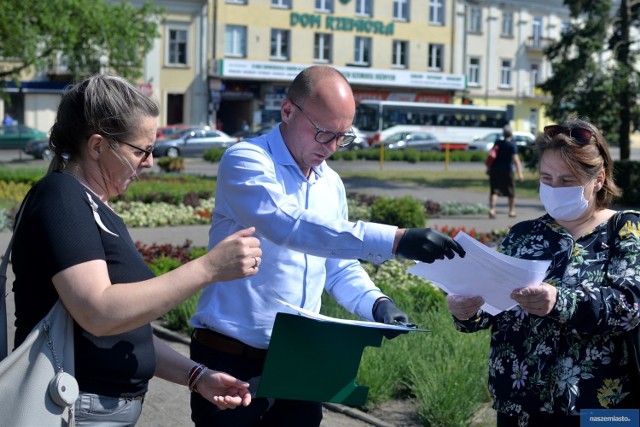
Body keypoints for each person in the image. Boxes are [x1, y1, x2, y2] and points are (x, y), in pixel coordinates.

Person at [189, 65, 466, 427]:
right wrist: (395, 239)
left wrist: (378, 304)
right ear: (287, 111)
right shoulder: (247, 159)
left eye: (342, 136)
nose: (332, 147)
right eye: (323, 133)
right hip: (231, 356)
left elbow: (339, 265)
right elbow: (287, 224)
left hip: (301, 357)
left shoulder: (330, 183)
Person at [10, 74, 262, 426]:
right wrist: (208, 268)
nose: (150, 162)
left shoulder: (94, 207)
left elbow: (127, 329)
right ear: (97, 147)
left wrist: (197, 376)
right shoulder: (61, 197)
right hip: (71, 409)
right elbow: (98, 313)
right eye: (141, 150)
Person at [446, 118, 640, 426]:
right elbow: (494, 306)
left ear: (599, 179)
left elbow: (629, 306)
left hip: (599, 407)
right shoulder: (523, 234)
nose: (553, 189)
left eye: (566, 181)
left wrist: (559, 301)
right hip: (520, 402)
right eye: (546, 178)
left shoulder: (625, 228)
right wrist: (467, 311)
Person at [488, 125, 524, 219]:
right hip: (507, 170)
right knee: (511, 191)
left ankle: (492, 210)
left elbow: (491, 156)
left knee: (494, 190)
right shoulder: (512, 145)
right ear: (511, 133)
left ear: (503, 134)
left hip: (495, 169)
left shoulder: (498, 143)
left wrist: (488, 168)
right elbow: (516, 160)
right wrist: (520, 173)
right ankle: (511, 211)